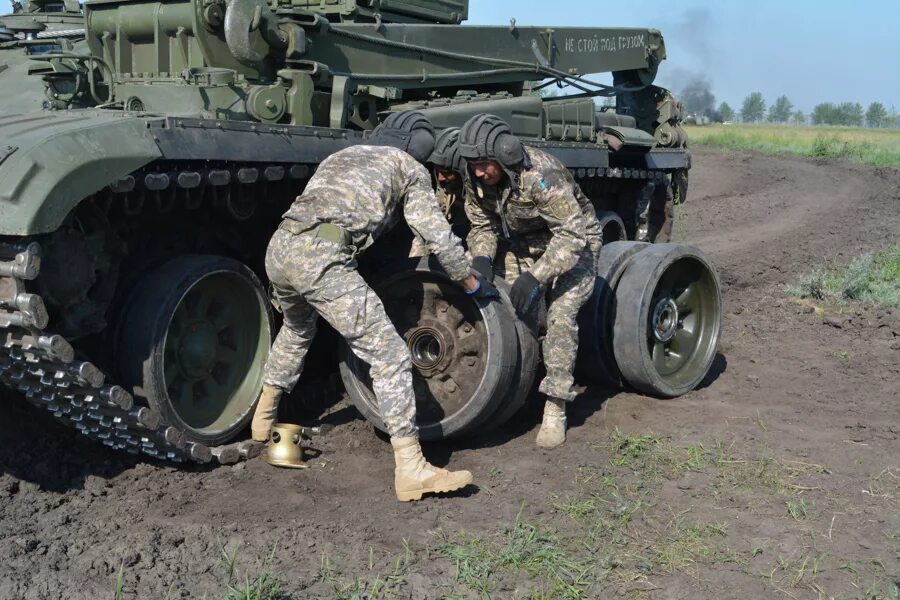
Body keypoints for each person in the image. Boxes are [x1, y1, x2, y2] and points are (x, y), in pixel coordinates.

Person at [251, 111, 497, 501]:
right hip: (322, 256)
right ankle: (411, 468)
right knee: (390, 356)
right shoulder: (408, 167)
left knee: (297, 329)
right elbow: (435, 234)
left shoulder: (344, 155)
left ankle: (263, 423)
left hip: (281, 248)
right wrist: (468, 279)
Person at [458, 114, 602, 449]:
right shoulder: (475, 176)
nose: (478, 172)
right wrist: (481, 258)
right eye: (472, 164)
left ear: (504, 157)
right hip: (521, 244)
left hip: (575, 245)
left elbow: (571, 234)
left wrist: (536, 276)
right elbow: (481, 224)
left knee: (559, 316)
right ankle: (516, 381)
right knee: (504, 305)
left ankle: (556, 404)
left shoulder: (540, 176)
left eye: (484, 165)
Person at [409, 127, 468, 257]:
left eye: (447, 173)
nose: (440, 177)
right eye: (438, 171)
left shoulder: (478, 188)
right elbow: (429, 224)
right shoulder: (441, 185)